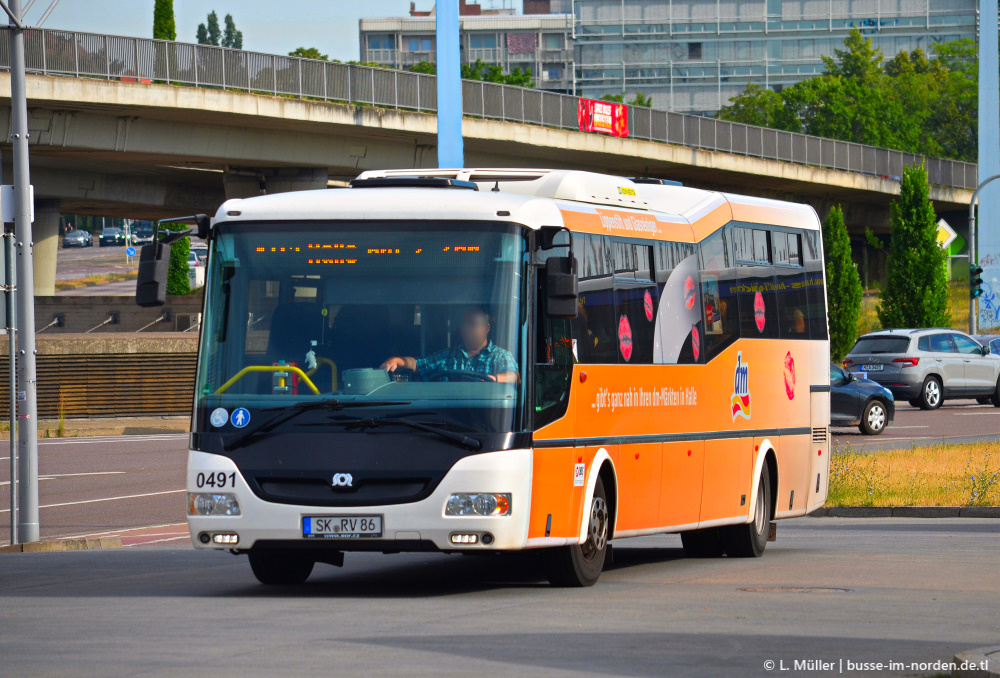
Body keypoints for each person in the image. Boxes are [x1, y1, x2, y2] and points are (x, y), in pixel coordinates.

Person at [380, 307, 518, 382]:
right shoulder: (448, 356)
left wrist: (493, 379)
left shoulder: (499, 356)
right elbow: (418, 364)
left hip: (485, 421)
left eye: (472, 324)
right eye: (464, 323)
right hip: (446, 420)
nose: (466, 328)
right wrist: (398, 361)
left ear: (486, 328)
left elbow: (515, 377)